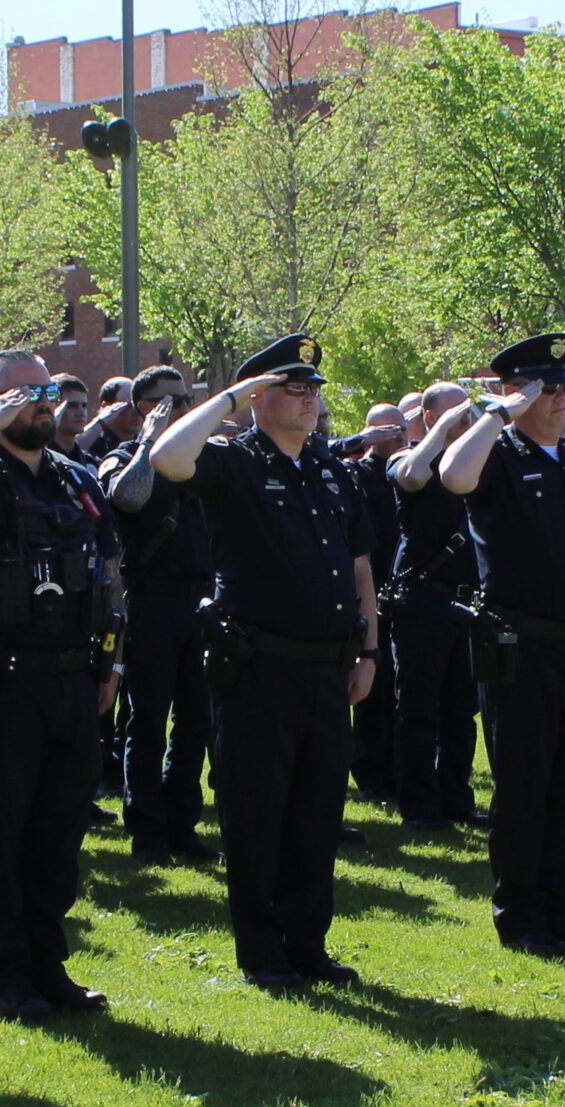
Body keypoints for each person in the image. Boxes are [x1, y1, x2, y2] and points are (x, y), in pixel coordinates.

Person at [150, 333, 378, 990]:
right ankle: (263, 950)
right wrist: (225, 398)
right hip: (259, 669)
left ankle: (308, 943)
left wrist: (368, 649)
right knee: (256, 813)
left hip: (328, 667)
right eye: (293, 386)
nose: (308, 399)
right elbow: (167, 457)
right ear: (258, 396)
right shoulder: (234, 463)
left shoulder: (331, 469)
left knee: (317, 811)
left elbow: (360, 566)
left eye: (313, 387)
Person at [0, 350, 125, 1021]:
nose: (44, 401)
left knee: (58, 835)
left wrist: (110, 662)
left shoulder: (71, 477)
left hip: (72, 680)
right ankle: (5, 978)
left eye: (45, 389)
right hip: (3, 684)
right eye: (27, 392)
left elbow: (108, 567)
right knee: (1, 836)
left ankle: (47, 965)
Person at [437, 332, 565, 956]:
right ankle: (519, 917)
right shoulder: (497, 454)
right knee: (524, 786)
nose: (561, 398)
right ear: (518, 393)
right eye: (547, 388)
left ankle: (556, 910)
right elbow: (452, 476)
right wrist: (497, 413)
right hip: (523, 648)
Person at [102, 366, 224, 865]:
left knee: (196, 721)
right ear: (141, 406)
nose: (181, 406)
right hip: (150, 601)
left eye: (186, 398)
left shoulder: (199, 460)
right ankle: (147, 831)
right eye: (167, 400)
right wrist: (150, 437)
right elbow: (127, 497)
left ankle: (182, 824)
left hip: (199, 603)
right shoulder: (121, 458)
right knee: (146, 722)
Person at [387, 382, 487, 831]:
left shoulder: (474, 464)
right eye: (455, 415)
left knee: (461, 712)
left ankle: (455, 799)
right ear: (430, 418)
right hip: (423, 600)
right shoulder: (407, 458)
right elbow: (411, 476)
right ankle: (419, 806)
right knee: (419, 708)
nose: (466, 422)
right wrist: (444, 427)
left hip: (467, 602)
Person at [348, 403, 408, 807]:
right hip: (372, 589)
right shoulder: (358, 475)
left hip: (403, 590)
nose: (398, 434)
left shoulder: (406, 472)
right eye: (388, 428)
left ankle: (397, 768)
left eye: (402, 427)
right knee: (373, 686)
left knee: (400, 688)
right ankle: (371, 772)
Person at [47, 373, 94, 464]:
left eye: (84, 406)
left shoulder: (90, 462)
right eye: (72, 406)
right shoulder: (38, 460)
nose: (81, 413)